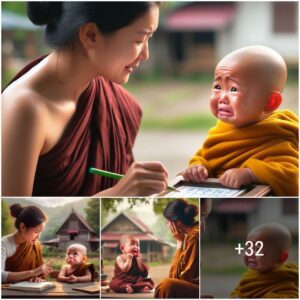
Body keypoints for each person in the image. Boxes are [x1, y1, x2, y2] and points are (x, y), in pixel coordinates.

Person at [2, 2, 169, 197]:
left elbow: (126, 207)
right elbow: (12, 225)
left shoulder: (117, 102)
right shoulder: (24, 108)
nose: (145, 55)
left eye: (150, 38)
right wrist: (115, 196)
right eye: (139, 40)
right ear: (91, 35)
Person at [181, 45, 298, 196]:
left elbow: (291, 175)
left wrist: (251, 173)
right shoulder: (221, 129)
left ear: (270, 102)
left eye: (233, 89)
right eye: (218, 87)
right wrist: (198, 167)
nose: (222, 98)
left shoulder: (276, 135)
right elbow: (206, 155)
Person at [231, 223, 298, 298]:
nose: (250, 254)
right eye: (247, 248)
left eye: (258, 249)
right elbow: (240, 290)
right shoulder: (251, 274)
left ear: (282, 257)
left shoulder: (285, 279)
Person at [155, 199, 199, 298]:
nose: (167, 225)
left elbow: (180, 277)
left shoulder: (194, 236)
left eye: (168, 222)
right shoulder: (193, 233)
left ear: (177, 223)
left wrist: (179, 243)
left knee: (166, 285)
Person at [1, 204, 52, 283]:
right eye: (36, 232)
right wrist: (32, 272)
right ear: (22, 227)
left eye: (41, 232)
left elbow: (38, 275)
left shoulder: (36, 245)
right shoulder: (4, 244)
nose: (38, 237)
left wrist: (37, 278)